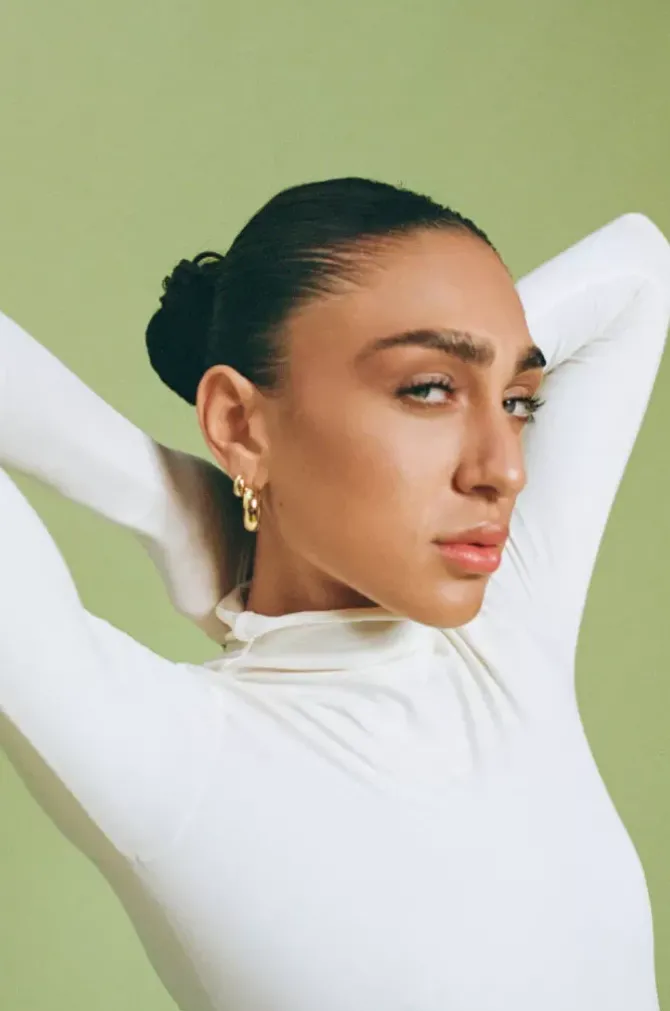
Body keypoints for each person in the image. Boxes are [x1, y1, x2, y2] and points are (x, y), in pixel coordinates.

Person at [1, 177, 669, 1011]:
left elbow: (639, 268)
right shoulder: (171, 758)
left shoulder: (504, 639)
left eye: (517, 400)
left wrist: (201, 507)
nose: (504, 468)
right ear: (237, 422)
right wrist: (165, 500)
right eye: (428, 389)